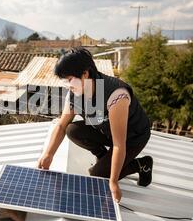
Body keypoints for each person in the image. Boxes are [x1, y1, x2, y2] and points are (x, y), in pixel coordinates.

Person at [37, 48, 153, 202]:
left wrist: (113, 181)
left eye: (69, 79)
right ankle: (103, 157)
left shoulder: (116, 95)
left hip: (132, 138)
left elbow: (119, 144)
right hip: (106, 131)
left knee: (97, 175)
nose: (67, 84)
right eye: (65, 80)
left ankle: (141, 164)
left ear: (85, 73)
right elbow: (62, 126)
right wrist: (48, 154)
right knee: (73, 130)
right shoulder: (75, 91)